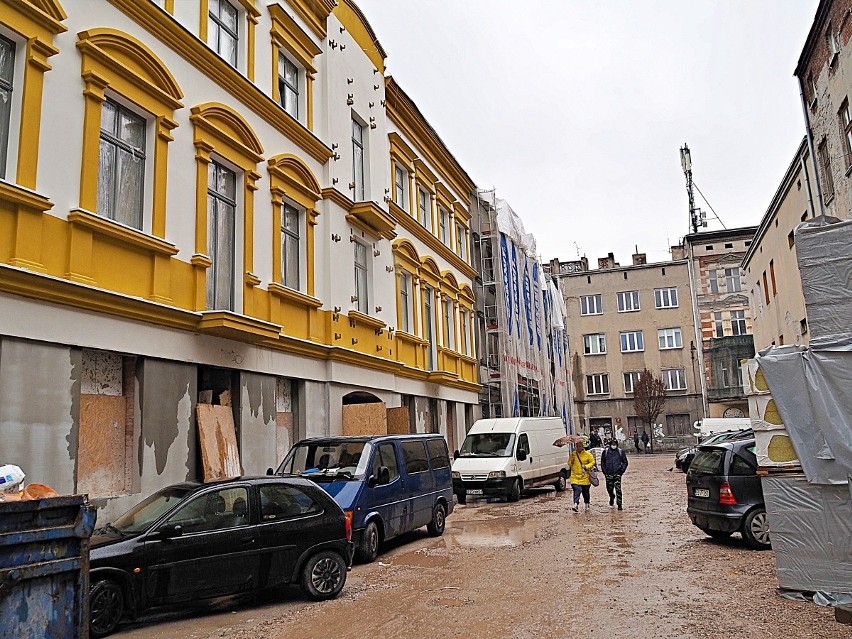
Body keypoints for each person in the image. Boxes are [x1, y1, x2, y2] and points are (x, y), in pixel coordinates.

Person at [568, 438, 596, 512]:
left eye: (580, 446)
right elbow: (569, 464)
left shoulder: (588, 454)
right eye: (577, 446)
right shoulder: (573, 454)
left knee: (585, 492)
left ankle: (587, 504)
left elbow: (592, 462)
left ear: (582, 446)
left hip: (585, 477)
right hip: (575, 477)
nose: (578, 447)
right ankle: (576, 504)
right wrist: (572, 461)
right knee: (577, 490)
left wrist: (586, 466)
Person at [600, 439, 628, 510]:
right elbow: (602, 462)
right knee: (609, 488)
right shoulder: (605, 452)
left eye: (615, 444)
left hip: (617, 473)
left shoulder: (620, 452)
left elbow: (625, 462)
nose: (613, 445)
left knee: (618, 489)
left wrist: (621, 471)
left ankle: (619, 504)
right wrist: (605, 472)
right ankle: (612, 497)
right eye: (612, 444)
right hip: (608, 474)